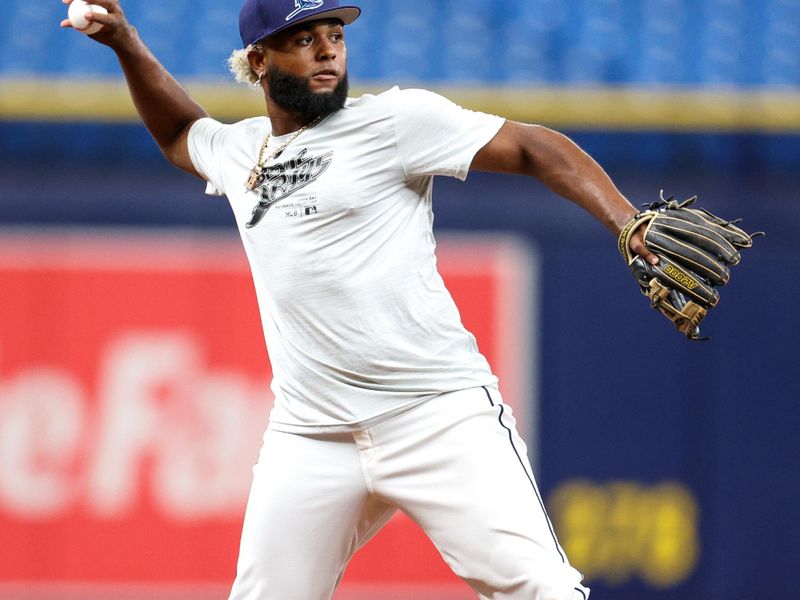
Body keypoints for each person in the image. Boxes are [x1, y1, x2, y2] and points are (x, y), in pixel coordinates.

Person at [61, 0, 658, 598]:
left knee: (542, 590)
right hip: (311, 435)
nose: (327, 50)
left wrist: (628, 223)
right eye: (303, 39)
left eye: (334, 35)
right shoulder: (243, 151)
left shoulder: (395, 122)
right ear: (259, 60)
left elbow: (533, 147)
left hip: (435, 415)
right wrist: (126, 43)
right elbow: (178, 133)